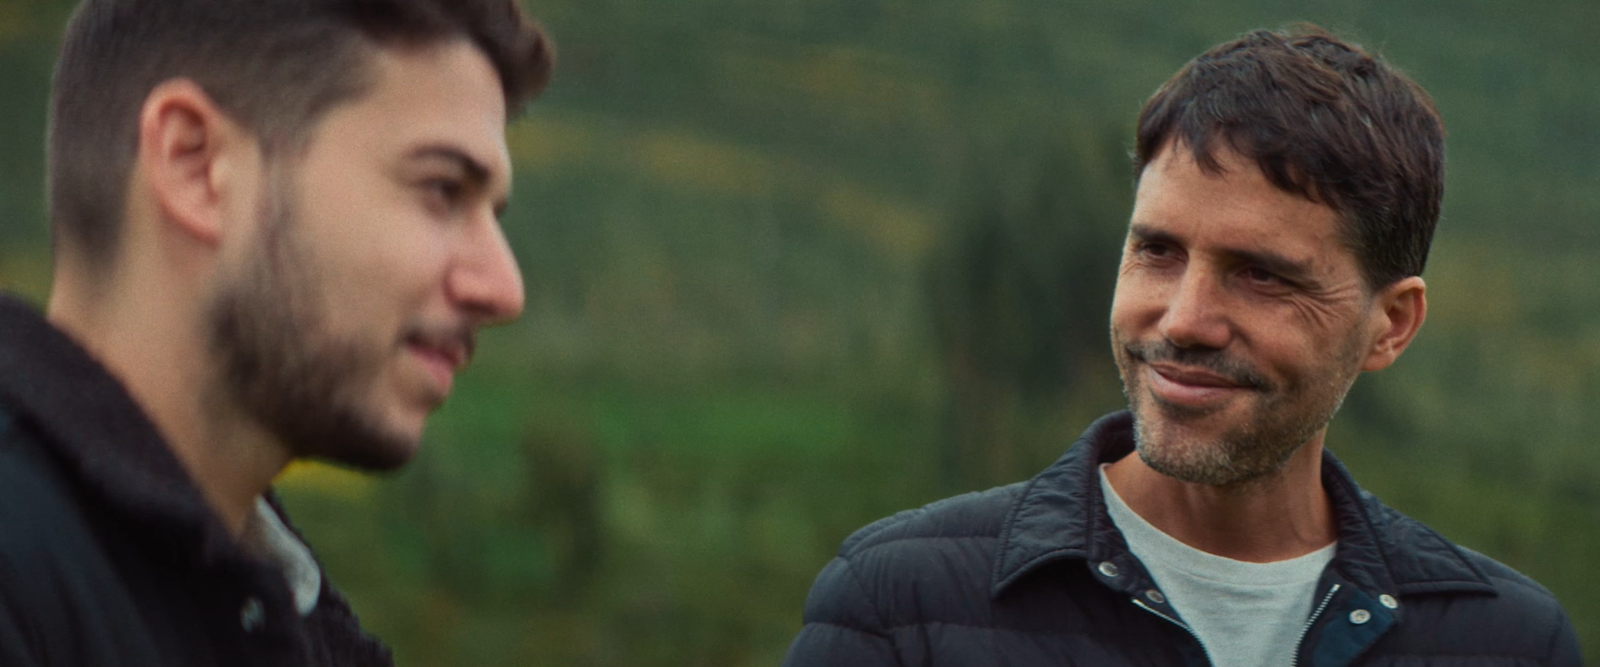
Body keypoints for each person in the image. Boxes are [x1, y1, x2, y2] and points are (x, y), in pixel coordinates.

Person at [782, 26, 1581, 667]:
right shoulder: (903, 610)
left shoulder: (1505, 642)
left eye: (1262, 275)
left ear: (1392, 324)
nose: (1183, 319)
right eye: (1157, 251)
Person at [0, 0, 551, 664]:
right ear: (194, 163)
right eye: (441, 189)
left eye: (493, 213)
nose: (503, 289)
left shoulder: (278, 618)